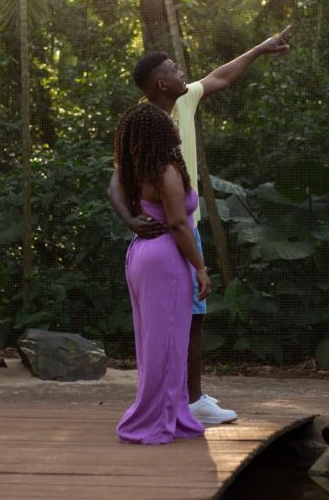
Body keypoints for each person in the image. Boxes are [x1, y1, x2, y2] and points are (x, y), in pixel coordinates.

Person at [108, 26, 292, 425]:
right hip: (170, 231)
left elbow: (222, 76)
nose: (182, 73)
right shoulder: (145, 124)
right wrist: (132, 220)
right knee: (174, 319)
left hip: (182, 225)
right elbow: (114, 183)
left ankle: (187, 399)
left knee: (194, 316)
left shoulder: (186, 100)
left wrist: (259, 48)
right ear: (161, 82)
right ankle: (184, 402)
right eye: (174, 69)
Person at [113, 102, 211, 445]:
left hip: (142, 256)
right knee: (167, 343)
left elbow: (117, 195)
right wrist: (200, 267)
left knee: (155, 343)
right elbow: (179, 224)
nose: (173, 126)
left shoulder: (134, 170)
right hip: (165, 260)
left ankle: (171, 414)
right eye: (168, 123)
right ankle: (154, 422)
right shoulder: (165, 171)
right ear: (161, 132)